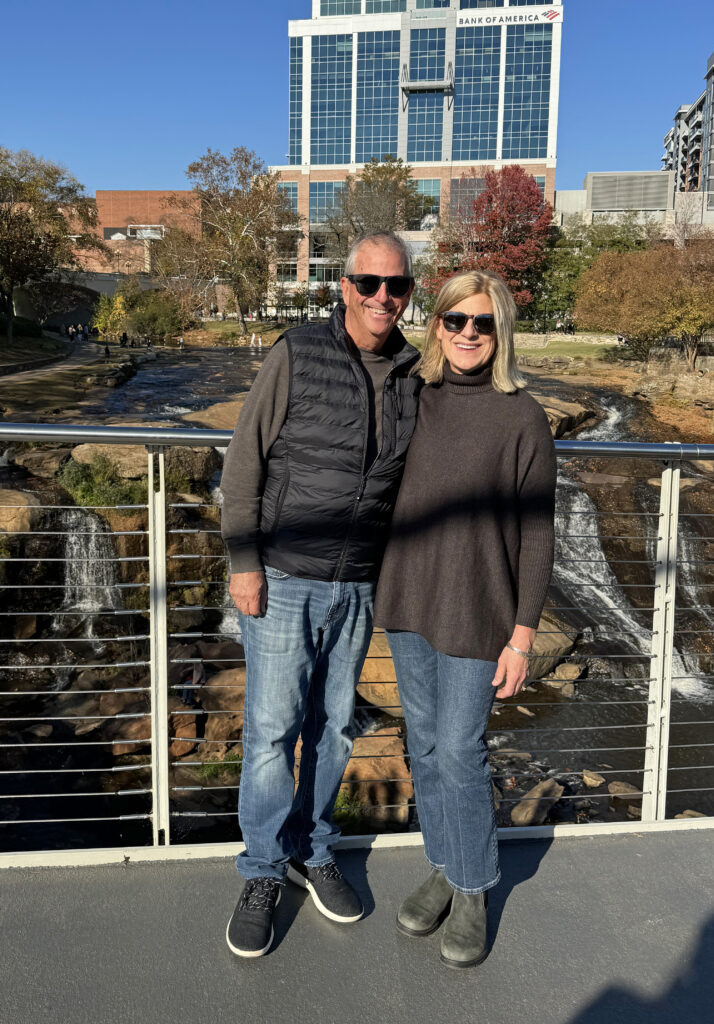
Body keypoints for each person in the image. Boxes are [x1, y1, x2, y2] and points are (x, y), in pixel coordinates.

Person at [220, 231, 420, 959]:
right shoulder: (298, 353)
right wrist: (245, 562)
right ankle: (263, 869)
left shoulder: (409, 371)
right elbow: (244, 459)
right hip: (283, 577)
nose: (382, 298)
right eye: (369, 283)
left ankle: (313, 849)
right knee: (272, 732)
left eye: (396, 286)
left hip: (358, 584)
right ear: (345, 286)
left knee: (334, 727)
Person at [374, 270, 557, 970]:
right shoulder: (415, 397)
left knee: (459, 751)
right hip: (410, 598)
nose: (468, 335)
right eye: (456, 321)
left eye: (482, 323)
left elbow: (538, 534)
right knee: (423, 748)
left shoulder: (523, 417)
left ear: (500, 330)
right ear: (437, 326)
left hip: (480, 609)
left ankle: (475, 886)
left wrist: (522, 635)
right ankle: (446, 865)